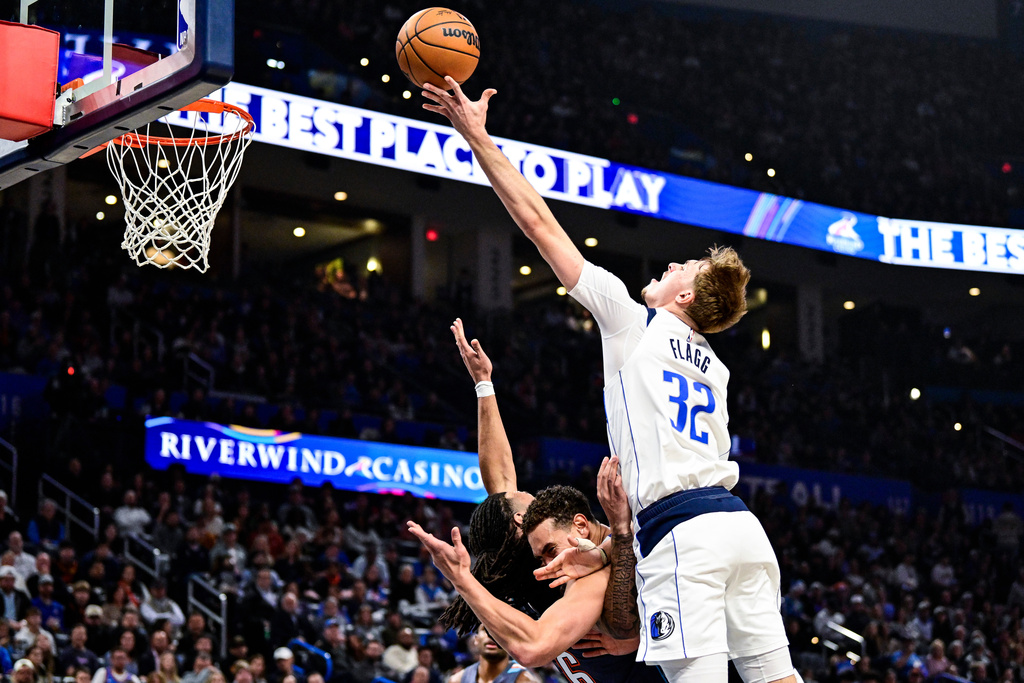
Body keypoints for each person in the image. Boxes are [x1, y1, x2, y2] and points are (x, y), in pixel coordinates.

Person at [421, 77, 797, 683]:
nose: (671, 263)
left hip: (683, 533)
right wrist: (603, 549)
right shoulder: (717, 367)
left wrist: (479, 139)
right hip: (740, 528)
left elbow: (541, 224)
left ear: (686, 295)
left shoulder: (635, 321)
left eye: (683, 266)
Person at [408, 324, 655, 682]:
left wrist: (484, 385)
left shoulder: (514, 570)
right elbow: (535, 647)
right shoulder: (571, 570)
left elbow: (500, 478)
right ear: (522, 520)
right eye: (525, 498)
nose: (526, 490)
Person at [447, 626, 537, 683]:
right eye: (486, 629)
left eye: (500, 630)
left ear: (511, 642)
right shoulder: (457, 680)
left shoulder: (526, 680)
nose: (491, 635)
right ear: (476, 640)